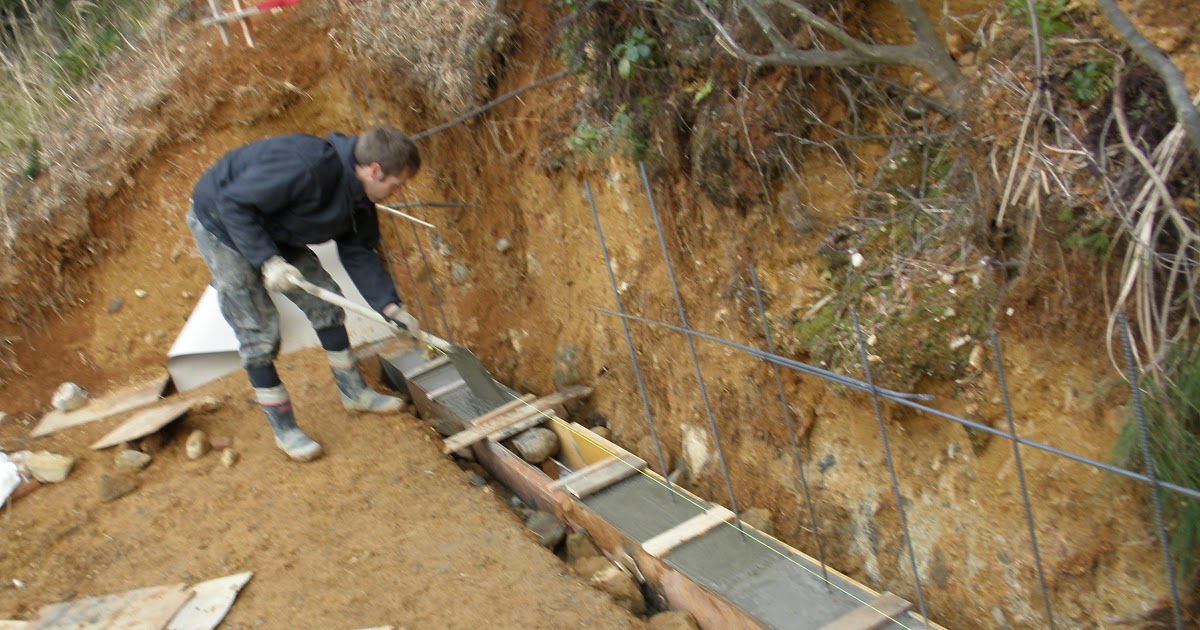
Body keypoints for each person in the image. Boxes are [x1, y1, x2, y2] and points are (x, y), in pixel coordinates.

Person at [186, 125, 424, 462]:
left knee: (325, 301)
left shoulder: (361, 198)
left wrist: (391, 307)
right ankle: (284, 429)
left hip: (274, 225)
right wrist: (268, 261)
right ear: (374, 170)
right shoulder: (305, 166)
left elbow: (359, 251)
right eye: (396, 185)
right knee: (257, 328)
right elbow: (234, 203)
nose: (397, 193)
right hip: (221, 222)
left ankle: (354, 392)